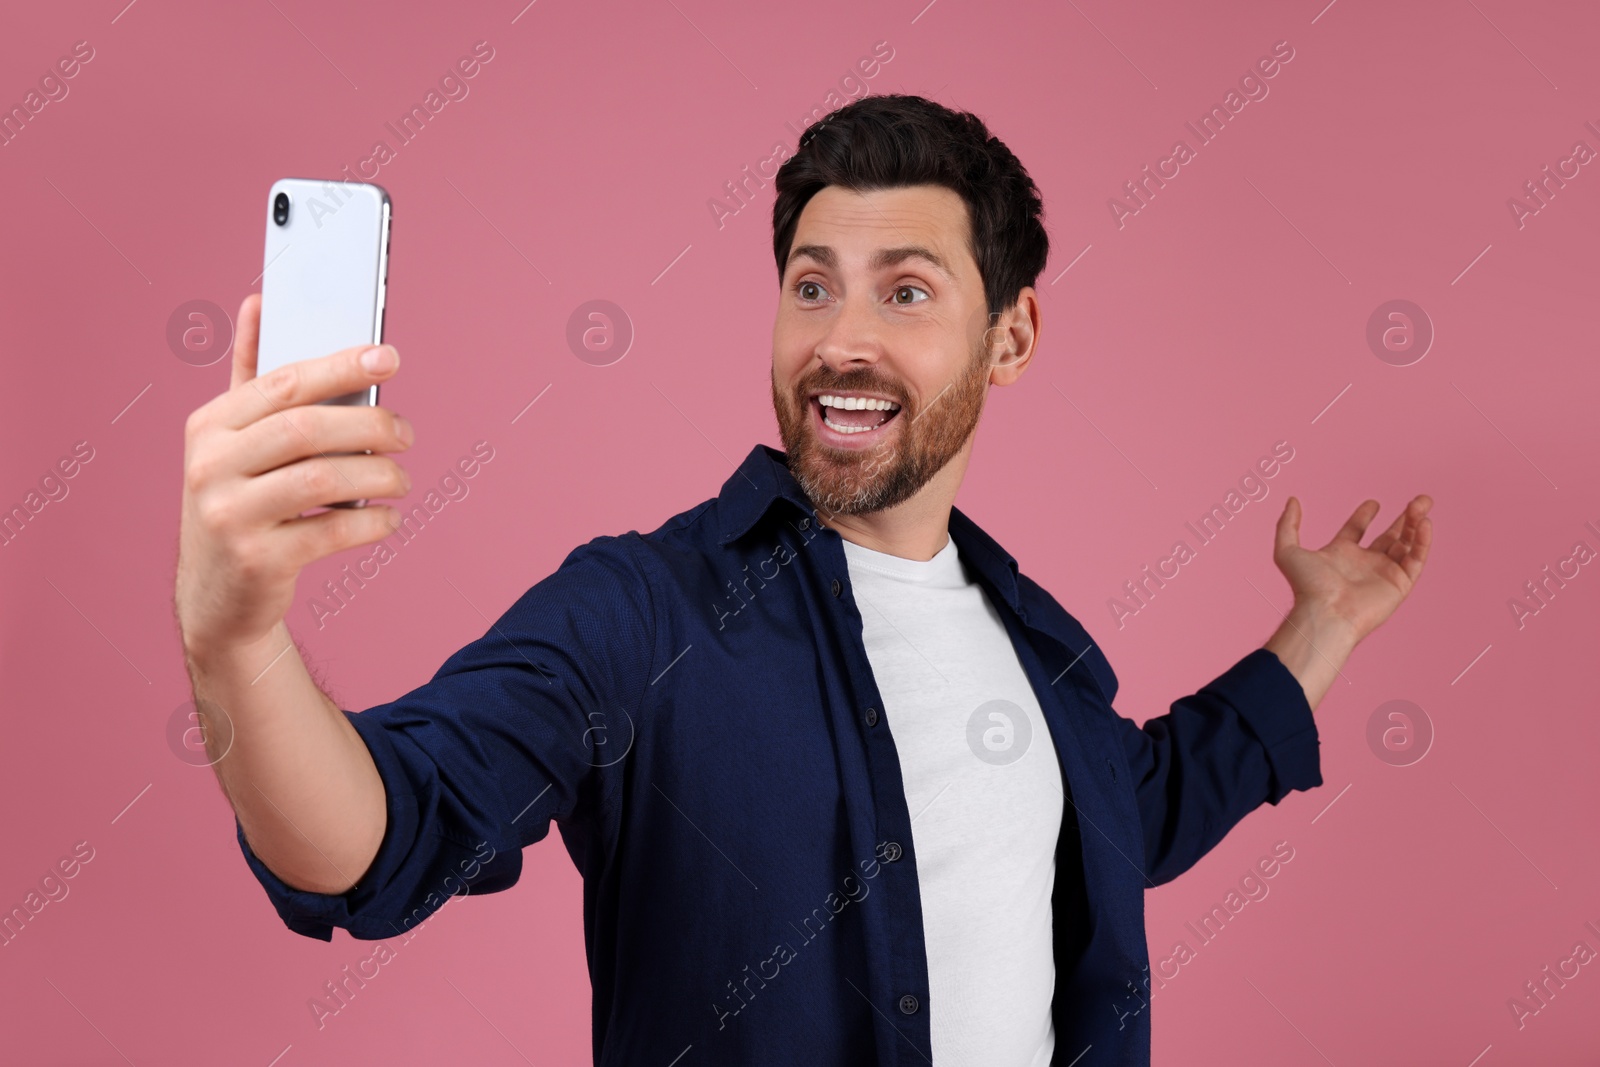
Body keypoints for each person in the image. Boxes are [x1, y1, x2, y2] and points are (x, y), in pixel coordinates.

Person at [174, 94, 1433, 1066]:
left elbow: (1128, 816)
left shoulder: (1035, 648)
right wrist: (237, 640)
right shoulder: (640, 613)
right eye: (812, 284)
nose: (840, 335)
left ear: (1012, 337)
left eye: (906, 291)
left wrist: (1318, 628)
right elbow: (380, 836)